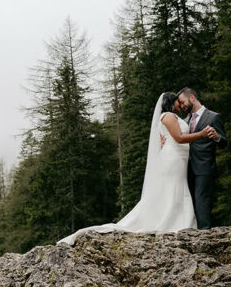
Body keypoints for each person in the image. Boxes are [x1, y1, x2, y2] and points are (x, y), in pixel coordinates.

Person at [58, 92, 217, 245]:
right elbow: (179, 138)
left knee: (177, 187)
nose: (180, 104)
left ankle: (178, 219)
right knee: (173, 188)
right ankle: (172, 220)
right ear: (170, 102)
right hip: (174, 158)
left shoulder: (174, 117)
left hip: (179, 158)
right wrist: (203, 133)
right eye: (177, 101)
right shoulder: (168, 116)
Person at [175, 87, 227, 229]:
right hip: (185, 167)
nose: (182, 105)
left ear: (192, 97)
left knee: (202, 201)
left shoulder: (213, 117)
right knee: (188, 202)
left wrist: (216, 137)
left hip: (204, 167)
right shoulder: (184, 121)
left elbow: (224, 142)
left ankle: (205, 235)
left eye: (183, 101)